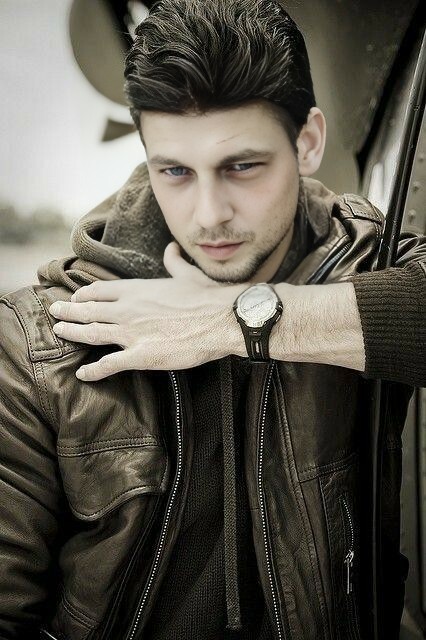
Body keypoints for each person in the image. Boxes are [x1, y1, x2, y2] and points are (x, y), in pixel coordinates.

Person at [0, 1, 424, 639]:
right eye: (174, 171)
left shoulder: (368, 264)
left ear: (308, 142)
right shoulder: (40, 337)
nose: (208, 215)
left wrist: (238, 320)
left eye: (242, 166)